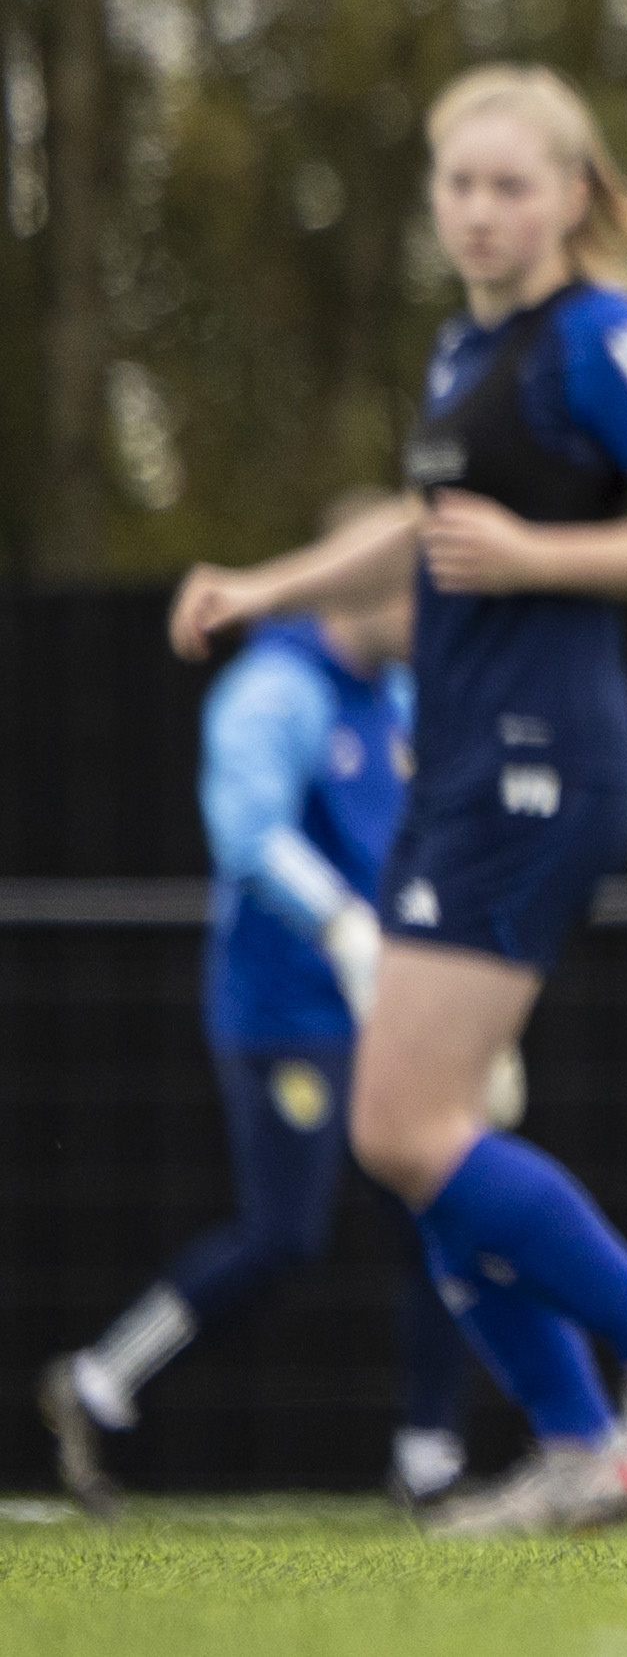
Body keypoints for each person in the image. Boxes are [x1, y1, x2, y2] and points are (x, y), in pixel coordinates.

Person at [168, 63, 627, 1535]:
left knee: (407, 1126)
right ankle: (577, 1444)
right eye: (459, 183)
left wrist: (542, 556)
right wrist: (264, 588)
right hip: (461, 771)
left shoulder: (605, 339)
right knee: (413, 1135)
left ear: (572, 195)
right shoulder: (462, 351)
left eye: (511, 184)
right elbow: (423, 529)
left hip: (540, 767)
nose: (481, 210)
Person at [38, 496, 477, 1516]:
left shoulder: (401, 693)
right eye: (420, 590)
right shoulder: (274, 690)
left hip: (389, 1008)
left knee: (443, 1215)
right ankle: (99, 1380)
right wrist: (344, 928)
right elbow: (249, 837)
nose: (437, 612)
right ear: (367, 586)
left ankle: (431, 1459)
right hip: (284, 1009)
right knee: (283, 1234)